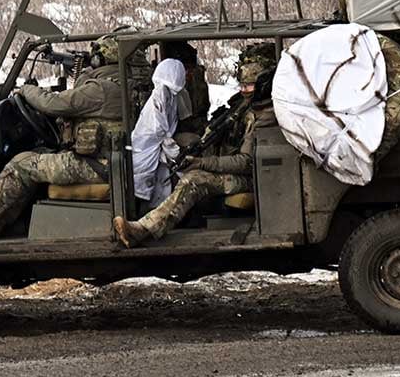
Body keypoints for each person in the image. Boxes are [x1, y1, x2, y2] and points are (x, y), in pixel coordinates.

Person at [0, 35, 127, 240]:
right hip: (109, 162)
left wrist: (26, 90)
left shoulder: (101, 89)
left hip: (97, 165)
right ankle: (4, 224)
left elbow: (53, 104)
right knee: (37, 155)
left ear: (100, 59)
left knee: (21, 165)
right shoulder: (120, 83)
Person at [112, 46, 277, 248]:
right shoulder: (244, 105)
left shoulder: (265, 115)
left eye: (249, 86)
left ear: (263, 84)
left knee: (194, 179)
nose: (244, 90)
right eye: (241, 85)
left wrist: (202, 162)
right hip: (234, 167)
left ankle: (144, 229)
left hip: (253, 178)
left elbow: (246, 162)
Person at [131, 58, 186, 207]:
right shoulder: (160, 94)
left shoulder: (170, 95)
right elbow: (157, 127)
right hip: (146, 147)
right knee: (142, 184)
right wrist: (169, 144)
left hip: (153, 146)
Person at [160, 41, 210, 145]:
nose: (189, 74)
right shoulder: (166, 90)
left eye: (191, 70)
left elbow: (200, 108)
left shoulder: (193, 82)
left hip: (194, 126)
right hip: (175, 134)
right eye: (186, 70)